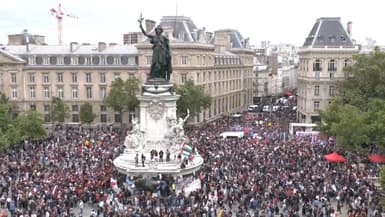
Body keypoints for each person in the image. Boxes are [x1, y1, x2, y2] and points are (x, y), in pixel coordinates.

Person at [139, 14, 172, 81]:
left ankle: (162, 76)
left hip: (162, 52)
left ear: (161, 30)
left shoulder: (164, 38)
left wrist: (169, 54)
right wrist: (141, 26)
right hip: (156, 52)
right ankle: (153, 76)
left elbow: (168, 47)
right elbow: (146, 34)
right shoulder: (154, 37)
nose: (158, 31)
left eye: (159, 30)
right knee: (155, 64)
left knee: (162, 64)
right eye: (157, 30)